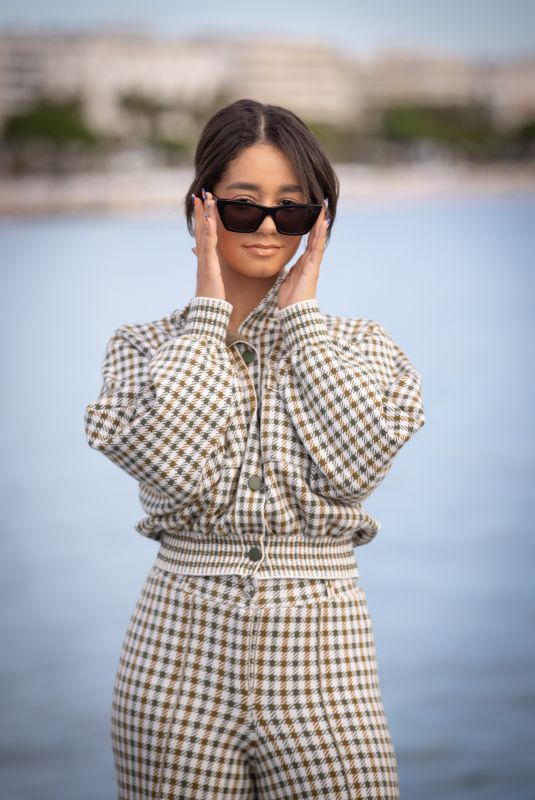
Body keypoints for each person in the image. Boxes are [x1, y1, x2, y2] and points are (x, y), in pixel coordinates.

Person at [84, 97, 426, 799]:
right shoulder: (142, 348)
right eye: (244, 205)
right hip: (175, 659)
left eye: (292, 208)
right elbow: (170, 463)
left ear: (318, 220)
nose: (269, 226)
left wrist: (300, 320)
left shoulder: (364, 348)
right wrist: (209, 312)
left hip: (325, 660)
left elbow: (353, 466)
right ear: (201, 207)